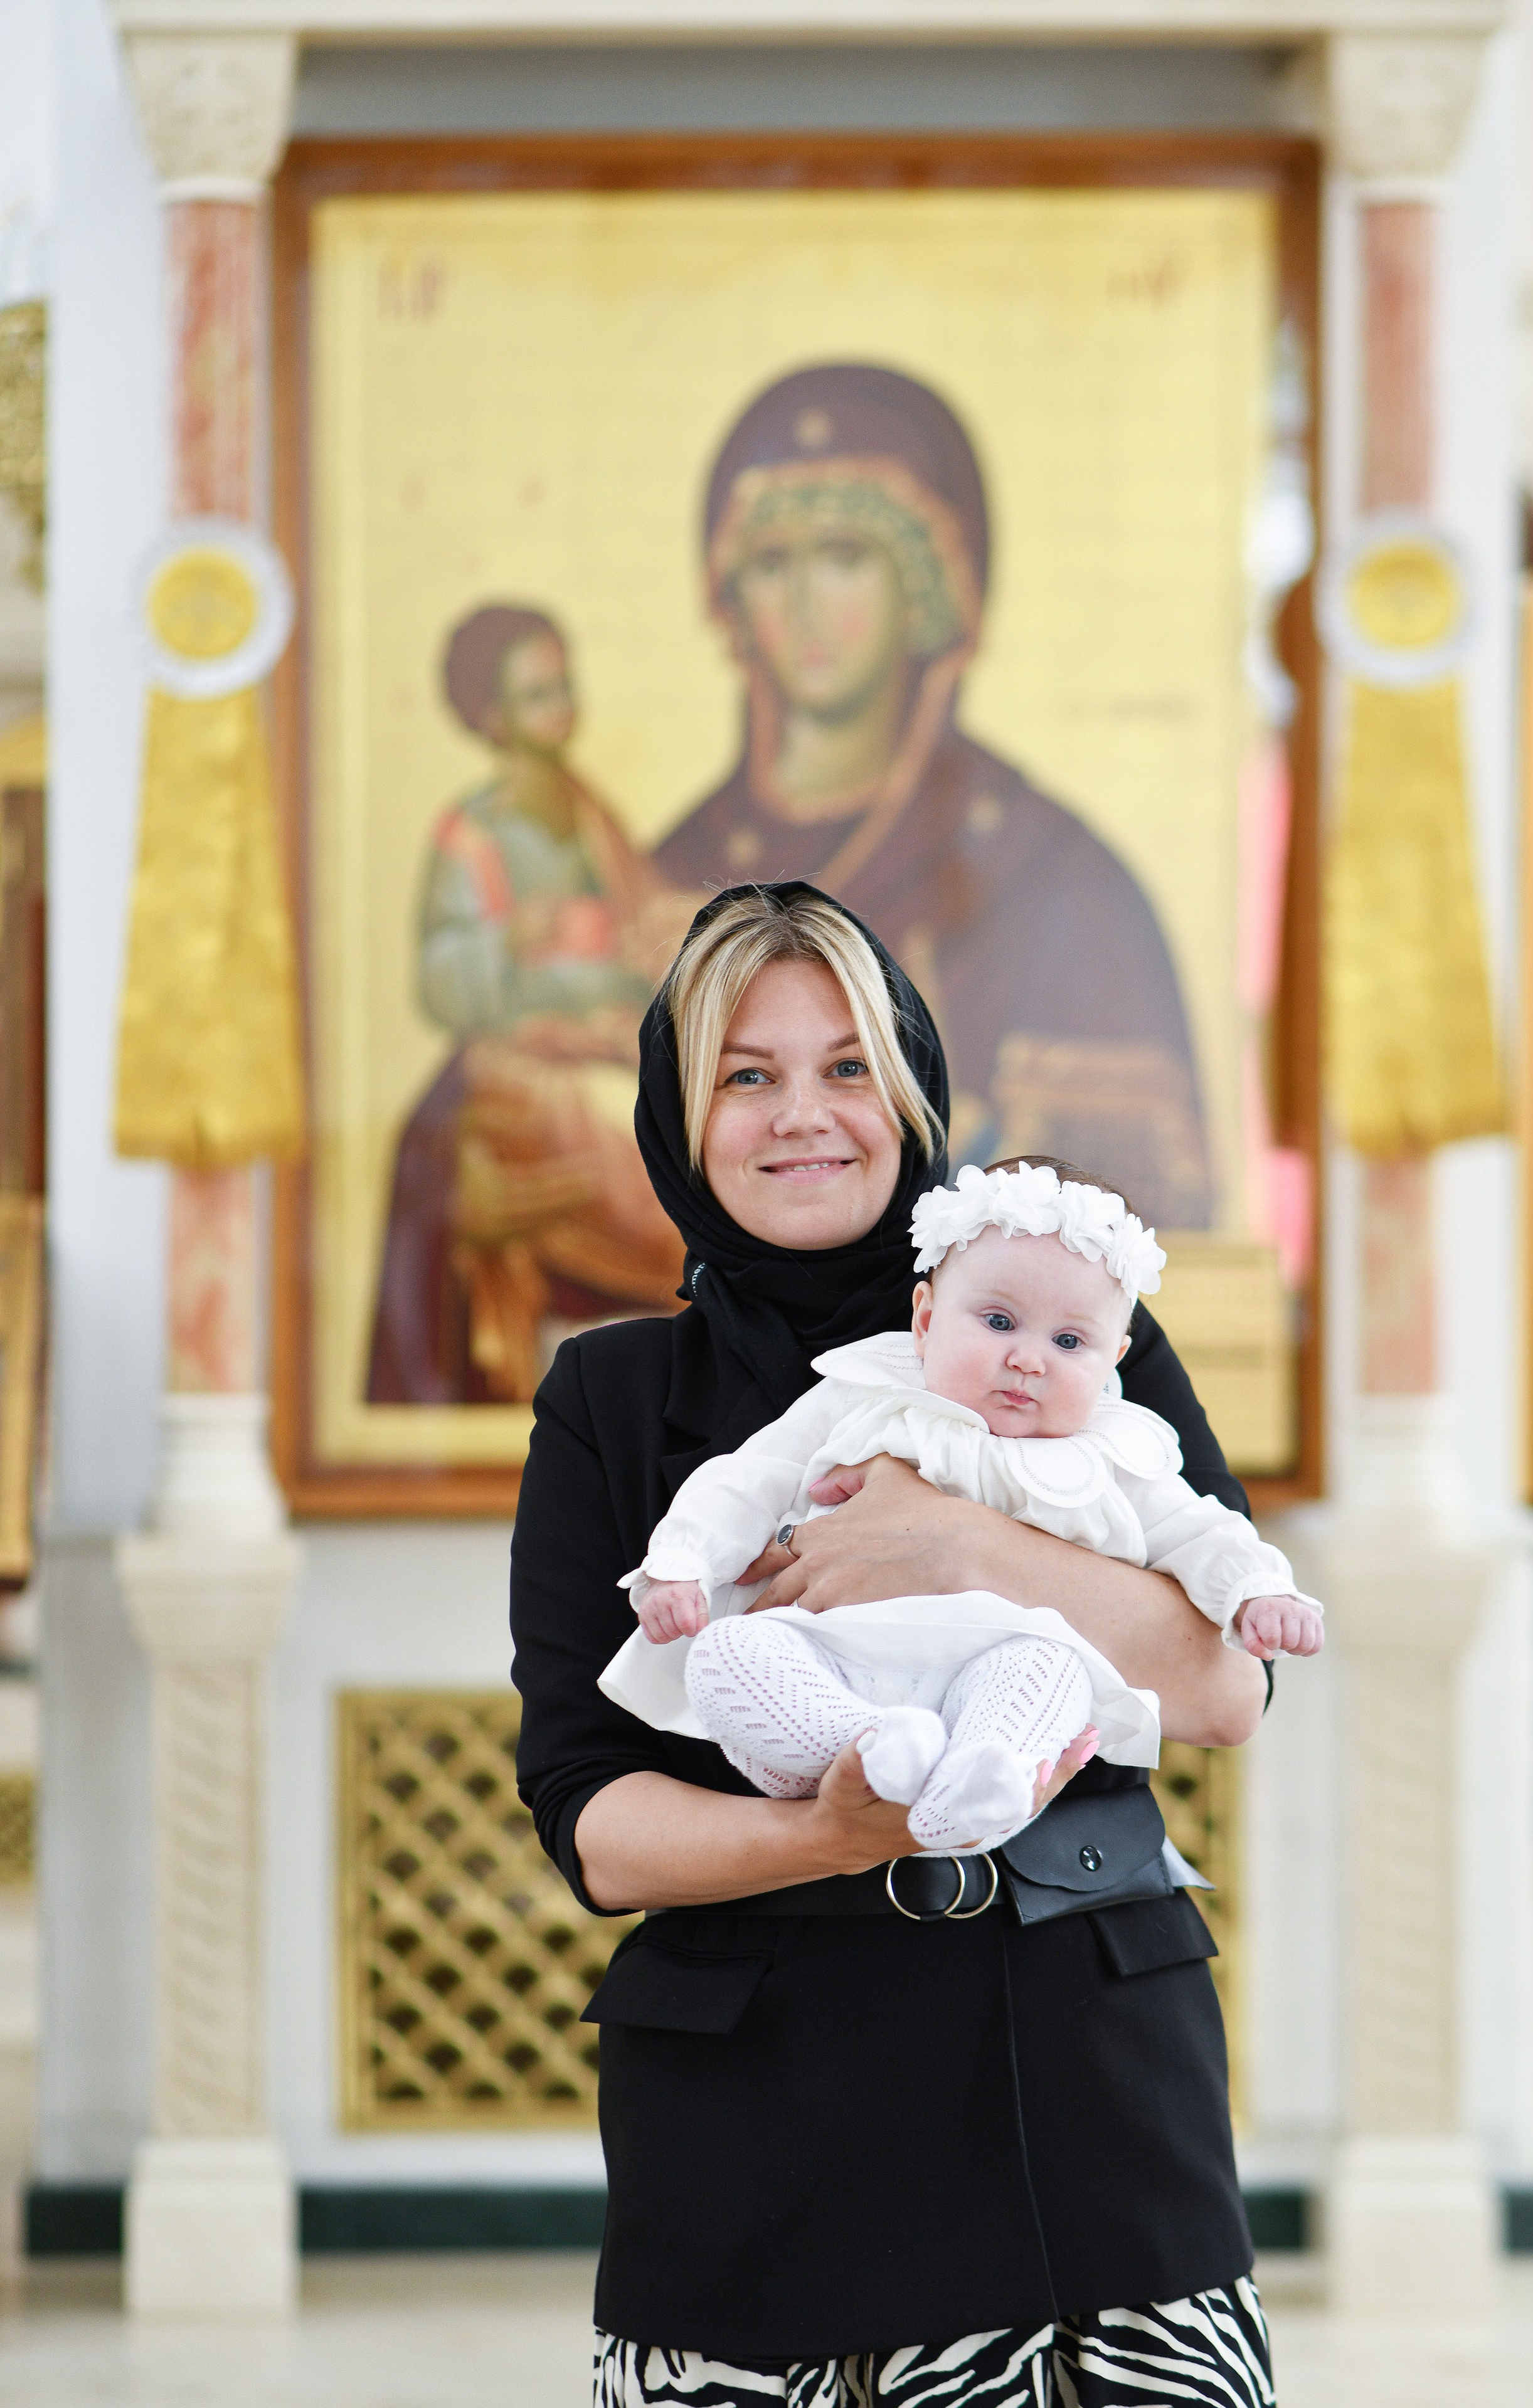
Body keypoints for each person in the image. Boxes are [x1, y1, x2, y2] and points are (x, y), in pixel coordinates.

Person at [511, 881, 1275, 2405]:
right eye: (748, 1072)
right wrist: (831, 1827)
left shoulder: (1065, 1321)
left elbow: (1219, 1681)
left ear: (912, 1089)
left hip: (1082, 2083)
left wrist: (959, 1544)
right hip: (751, 2118)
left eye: (846, 1065)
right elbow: (593, 1821)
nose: (804, 1114)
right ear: (680, 1112)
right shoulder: (608, 1399)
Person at [605, 1157, 1323, 1854]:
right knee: (729, 1652)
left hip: (1001, 1667)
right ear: (924, 1317)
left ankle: (979, 1784)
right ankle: (871, 1748)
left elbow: (1201, 1532)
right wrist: (681, 1563)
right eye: (999, 1322)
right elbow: (748, 1477)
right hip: (837, 1657)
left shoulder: (1114, 1453)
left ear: (1114, 1361)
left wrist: (1258, 1591)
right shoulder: (864, 1393)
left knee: (1051, 1672)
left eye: (1070, 1341)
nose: (1028, 1359)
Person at [654, 362, 1212, 1223]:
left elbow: (1129, 1242)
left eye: (845, 557)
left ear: (925, 588)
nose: (802, 604)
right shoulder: (669, 874)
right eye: (771, 563)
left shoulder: (1058, 885)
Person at [366, 603, 689, 1407]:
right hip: (522, 1062)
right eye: (537, 694)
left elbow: (638, 921)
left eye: (563, 687)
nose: (560, 708)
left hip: (605, 1041)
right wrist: (511, 939)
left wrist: (648, 938)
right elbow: (441, 971)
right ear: (491, 717)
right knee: (650, 1169)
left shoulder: (588, 814)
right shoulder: (475, 835)